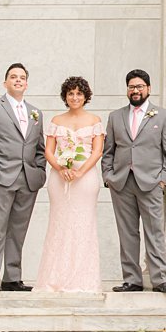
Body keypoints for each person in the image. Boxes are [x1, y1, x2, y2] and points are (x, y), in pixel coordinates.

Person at [0, 63, 46, 292]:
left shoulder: (36, 113)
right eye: (13, 77)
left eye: (22, 77)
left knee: (18, 230)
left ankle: (13, 277)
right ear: (5, 82)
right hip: (1, 175)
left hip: (28, 179)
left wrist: (40, 171)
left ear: (27, 83)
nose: (18, 80)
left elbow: (40, 148)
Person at [102, 68, 166, 294]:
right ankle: (132, 280)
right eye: (132, 87)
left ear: (148, 89)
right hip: (122, 182)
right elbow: (109, 151)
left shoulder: (163, 116)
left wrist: (164, 180)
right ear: (127, 90)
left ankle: (159, 279)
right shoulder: (115, 117)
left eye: (140, 87)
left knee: (154, 231)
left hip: (151, 182)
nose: (136, 90)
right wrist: (108, 177)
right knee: (127, 233)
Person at [37, 76, 105, 293]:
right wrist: (61, 169)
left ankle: (83, 280)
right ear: (65, 97)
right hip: (60, 179)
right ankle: (55, 278)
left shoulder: (95, 121)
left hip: (85, 180)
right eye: (71, 93)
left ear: (86, 96)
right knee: (59, 224)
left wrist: (80, 172)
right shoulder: (56, 121)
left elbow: (97, 151)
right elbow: (48, 150)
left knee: (84, 224)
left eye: (79, 93)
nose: (75, 97)